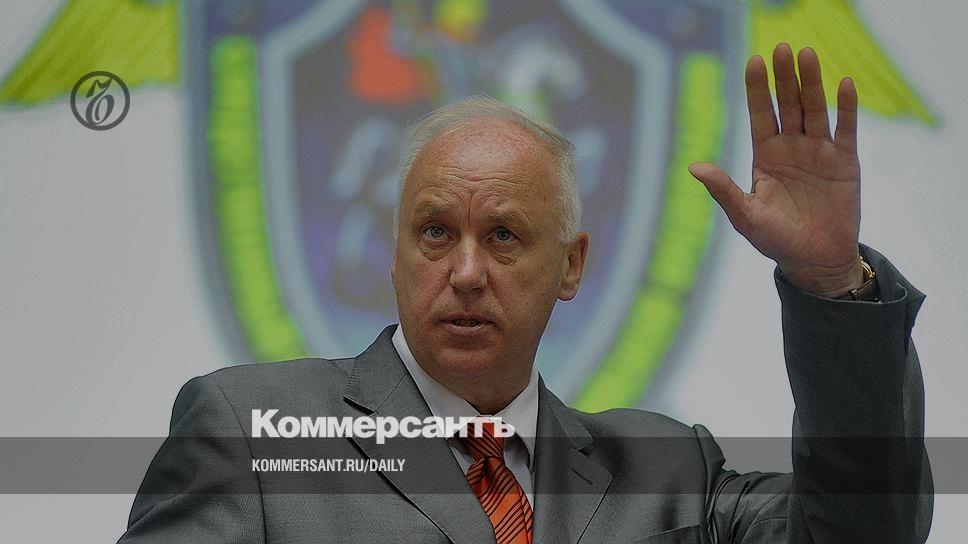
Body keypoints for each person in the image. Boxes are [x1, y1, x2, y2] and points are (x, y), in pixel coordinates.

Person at [119, 43, 932, 543]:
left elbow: (864, 531)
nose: (467, 272)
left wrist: (830, 283)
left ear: (571, 266)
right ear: (396, 254)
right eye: (435, 232)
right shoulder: (250, 434)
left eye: (504, 236)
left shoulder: (668, 473)